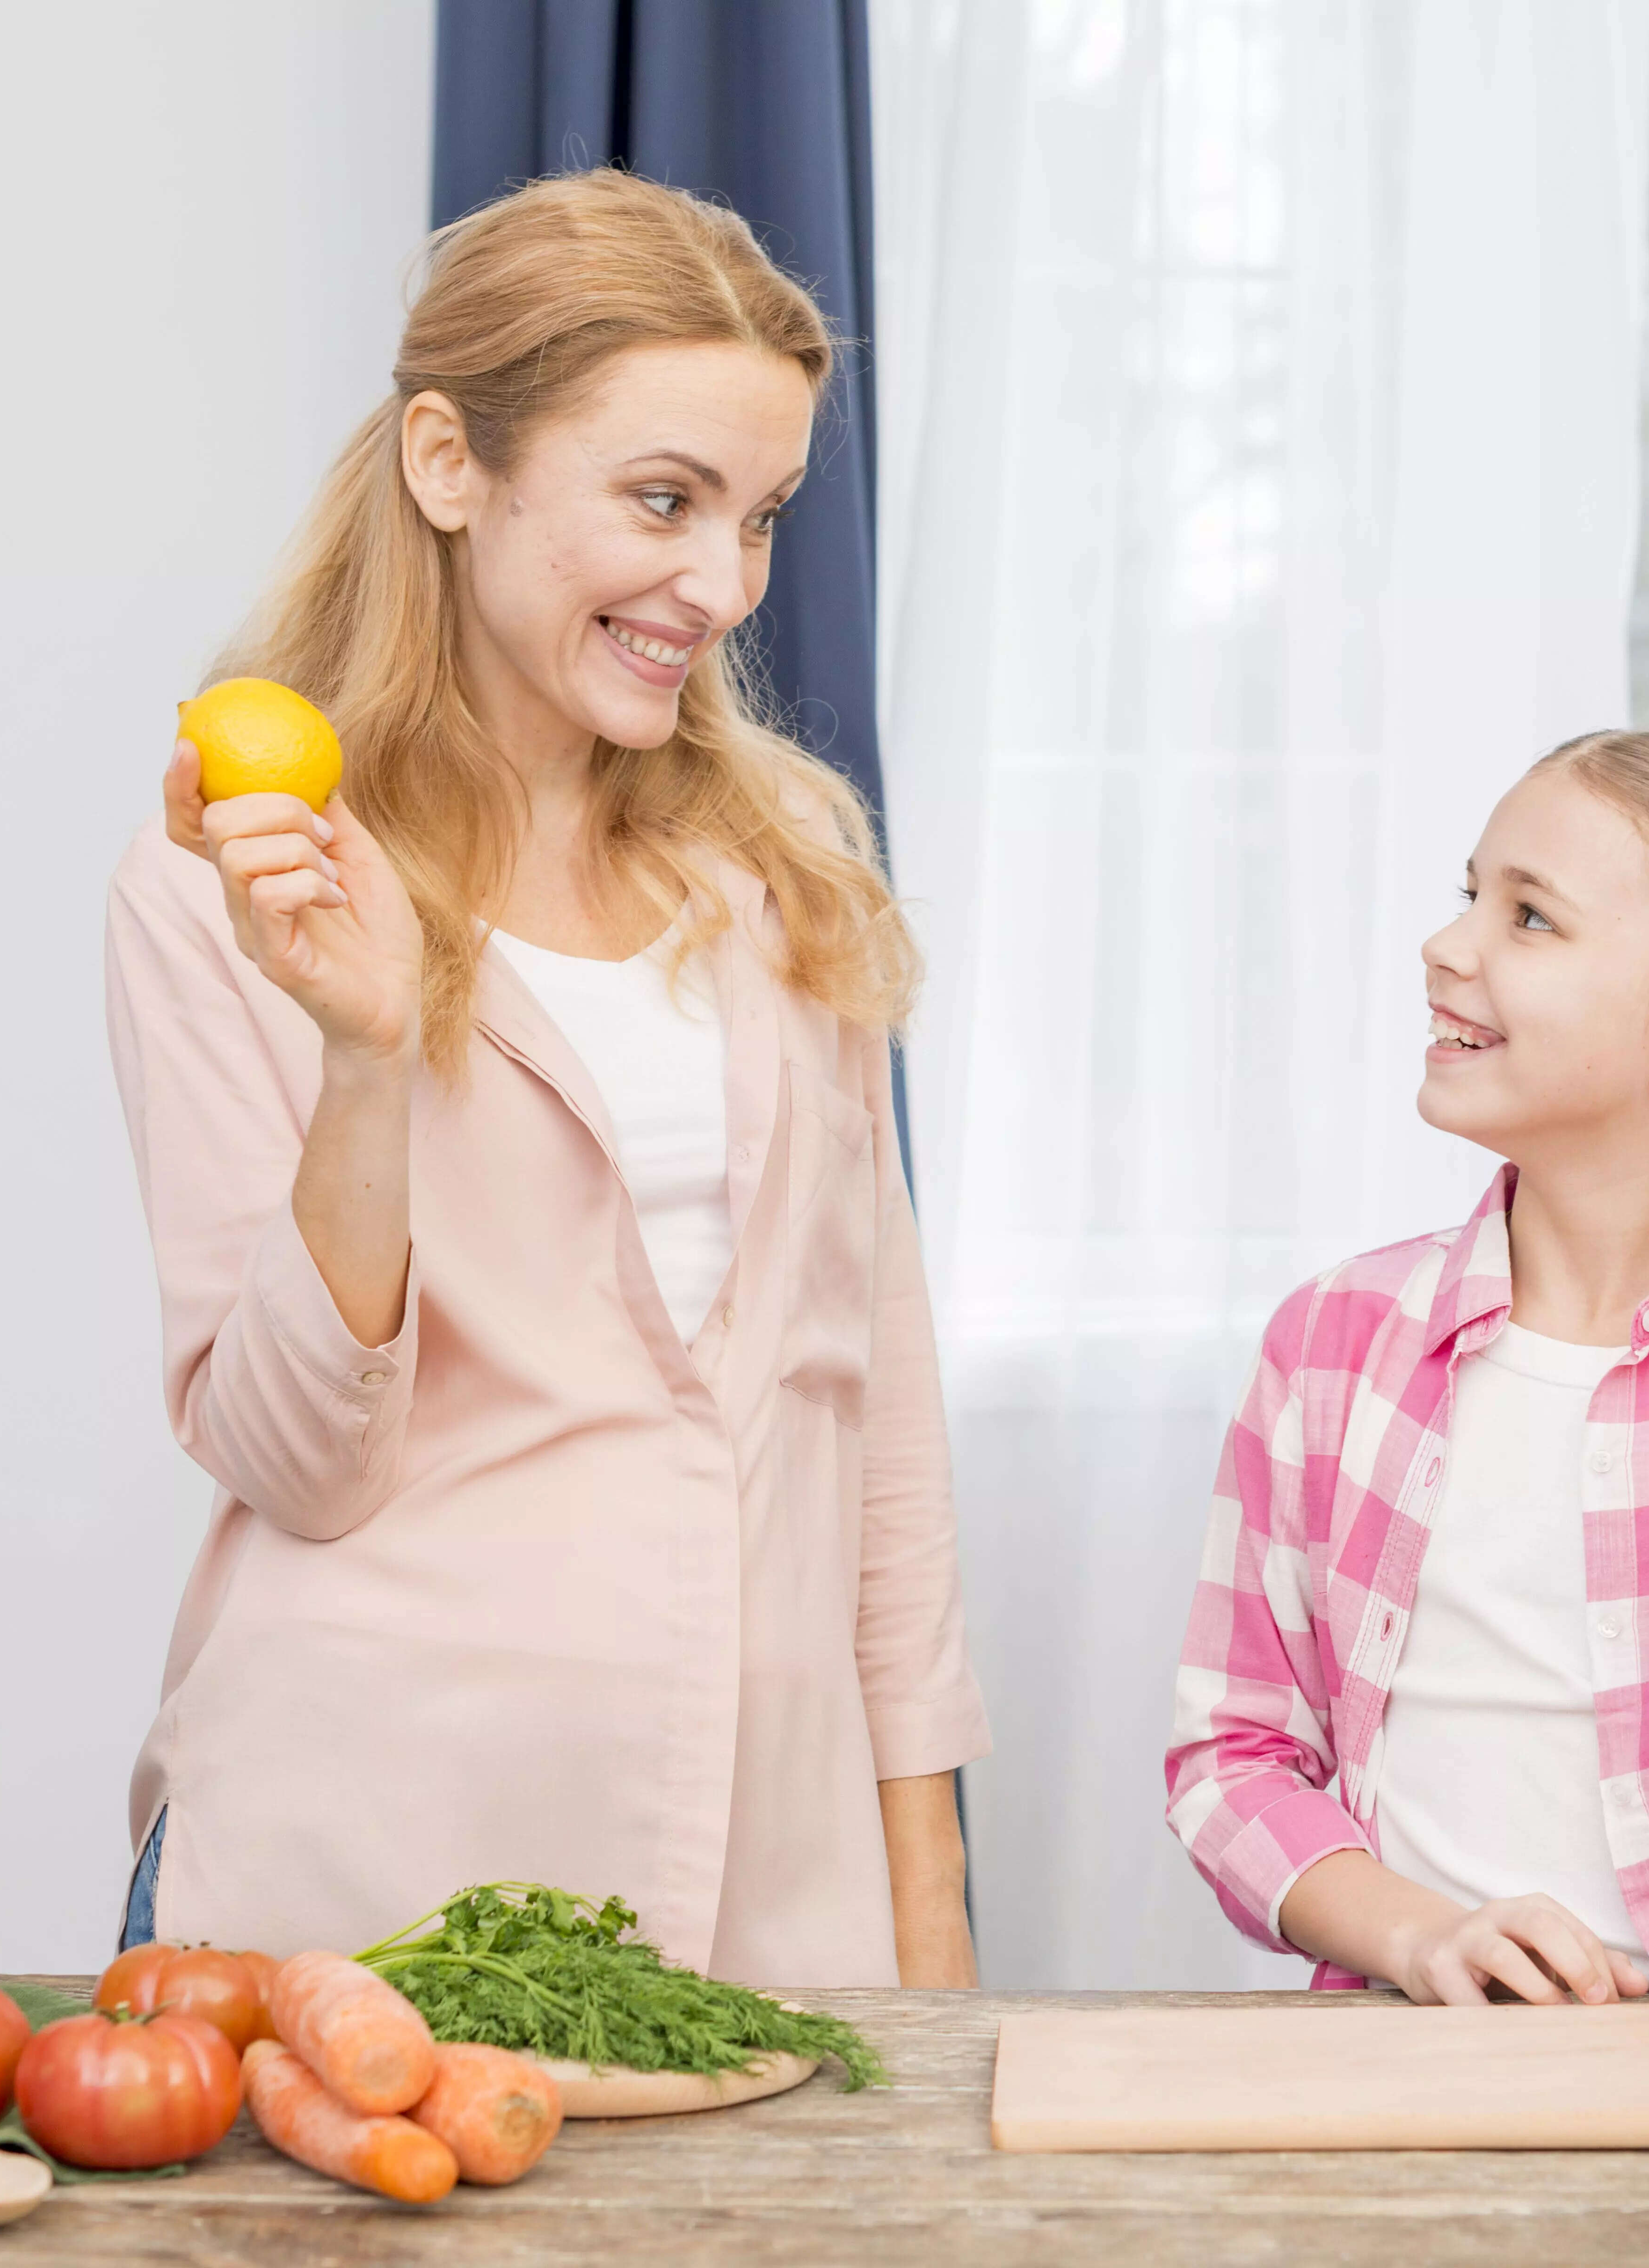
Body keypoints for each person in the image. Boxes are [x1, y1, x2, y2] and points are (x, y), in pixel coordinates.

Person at [103, 170, 987, 1982]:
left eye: (759, 517)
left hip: (769, 1924)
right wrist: (364, 1058)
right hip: (356, 1915)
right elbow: (295, 1461)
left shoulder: (790, 874)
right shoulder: (230, 881)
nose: (721, 583)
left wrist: (931, 1926)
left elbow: (875, 1432)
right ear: (451, 462)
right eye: (664, 499)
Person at [1165, 732, 1649, 2003]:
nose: (1449, 945)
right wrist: (1419, 1936)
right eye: (1471, 892)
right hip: (1401, 2058)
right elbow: (1233, 1761)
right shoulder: (1335, 1344)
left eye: (1529, 917)